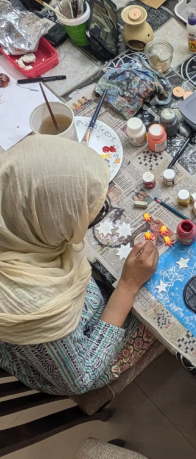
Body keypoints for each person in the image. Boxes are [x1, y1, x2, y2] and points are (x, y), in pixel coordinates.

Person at [0, 135, 159, 395]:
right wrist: (128, 286)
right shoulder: (35, 309)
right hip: (74, 361)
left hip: (53, 326)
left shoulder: (12, 208)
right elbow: (81, 376)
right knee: (157, 316)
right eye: (90, 214)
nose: (93, 217)